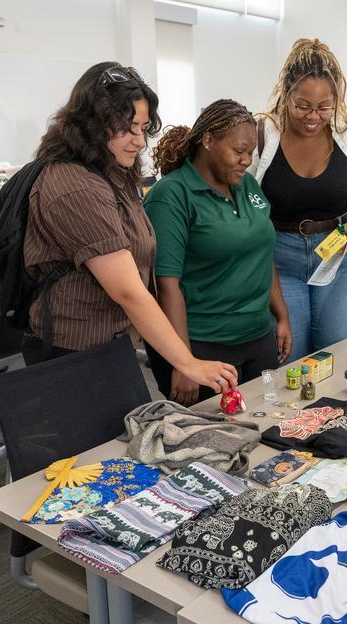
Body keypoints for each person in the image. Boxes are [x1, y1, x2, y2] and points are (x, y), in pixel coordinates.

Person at [23, 61, 238, 393]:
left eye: (143, 127)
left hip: (112, 345)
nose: (139, 141)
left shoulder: (112, 171)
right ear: (92, 125)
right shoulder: (75, 185)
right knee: (95, 446)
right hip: (75, 355)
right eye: (127, 128)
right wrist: (188, 363)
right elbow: (128, 290)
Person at [252, 39, 347, 361]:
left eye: (324, 107)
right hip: (280, 261)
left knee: (343, 358)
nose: (312, 117)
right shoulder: (262, 136)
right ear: (286, 93)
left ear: (337, 100)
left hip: (342, 258)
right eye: (302, 106)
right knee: (289, 363)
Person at [144, 99, 291, 405]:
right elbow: (165, 286)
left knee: (266, 427)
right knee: (212, 441)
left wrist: (282, 317)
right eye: (238, 151)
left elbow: (264, 255)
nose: (246, 161)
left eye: (251, 153)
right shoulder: (172, 195)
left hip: (257, 336)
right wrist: (183, 363)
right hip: (203, 345)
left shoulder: (248, 185)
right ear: (208, 140)